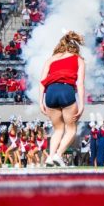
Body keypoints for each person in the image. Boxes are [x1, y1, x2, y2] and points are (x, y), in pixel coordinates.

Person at [38, 31, 86, 166]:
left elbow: (42, 81)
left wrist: (40, 101)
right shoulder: (78, 59)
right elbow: (80, 84)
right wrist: (81, 105)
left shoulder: (51, 59)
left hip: (50, 92)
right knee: (71, 129)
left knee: (58, 129)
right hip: (66, 90)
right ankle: (58, 155)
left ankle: (50, 157)